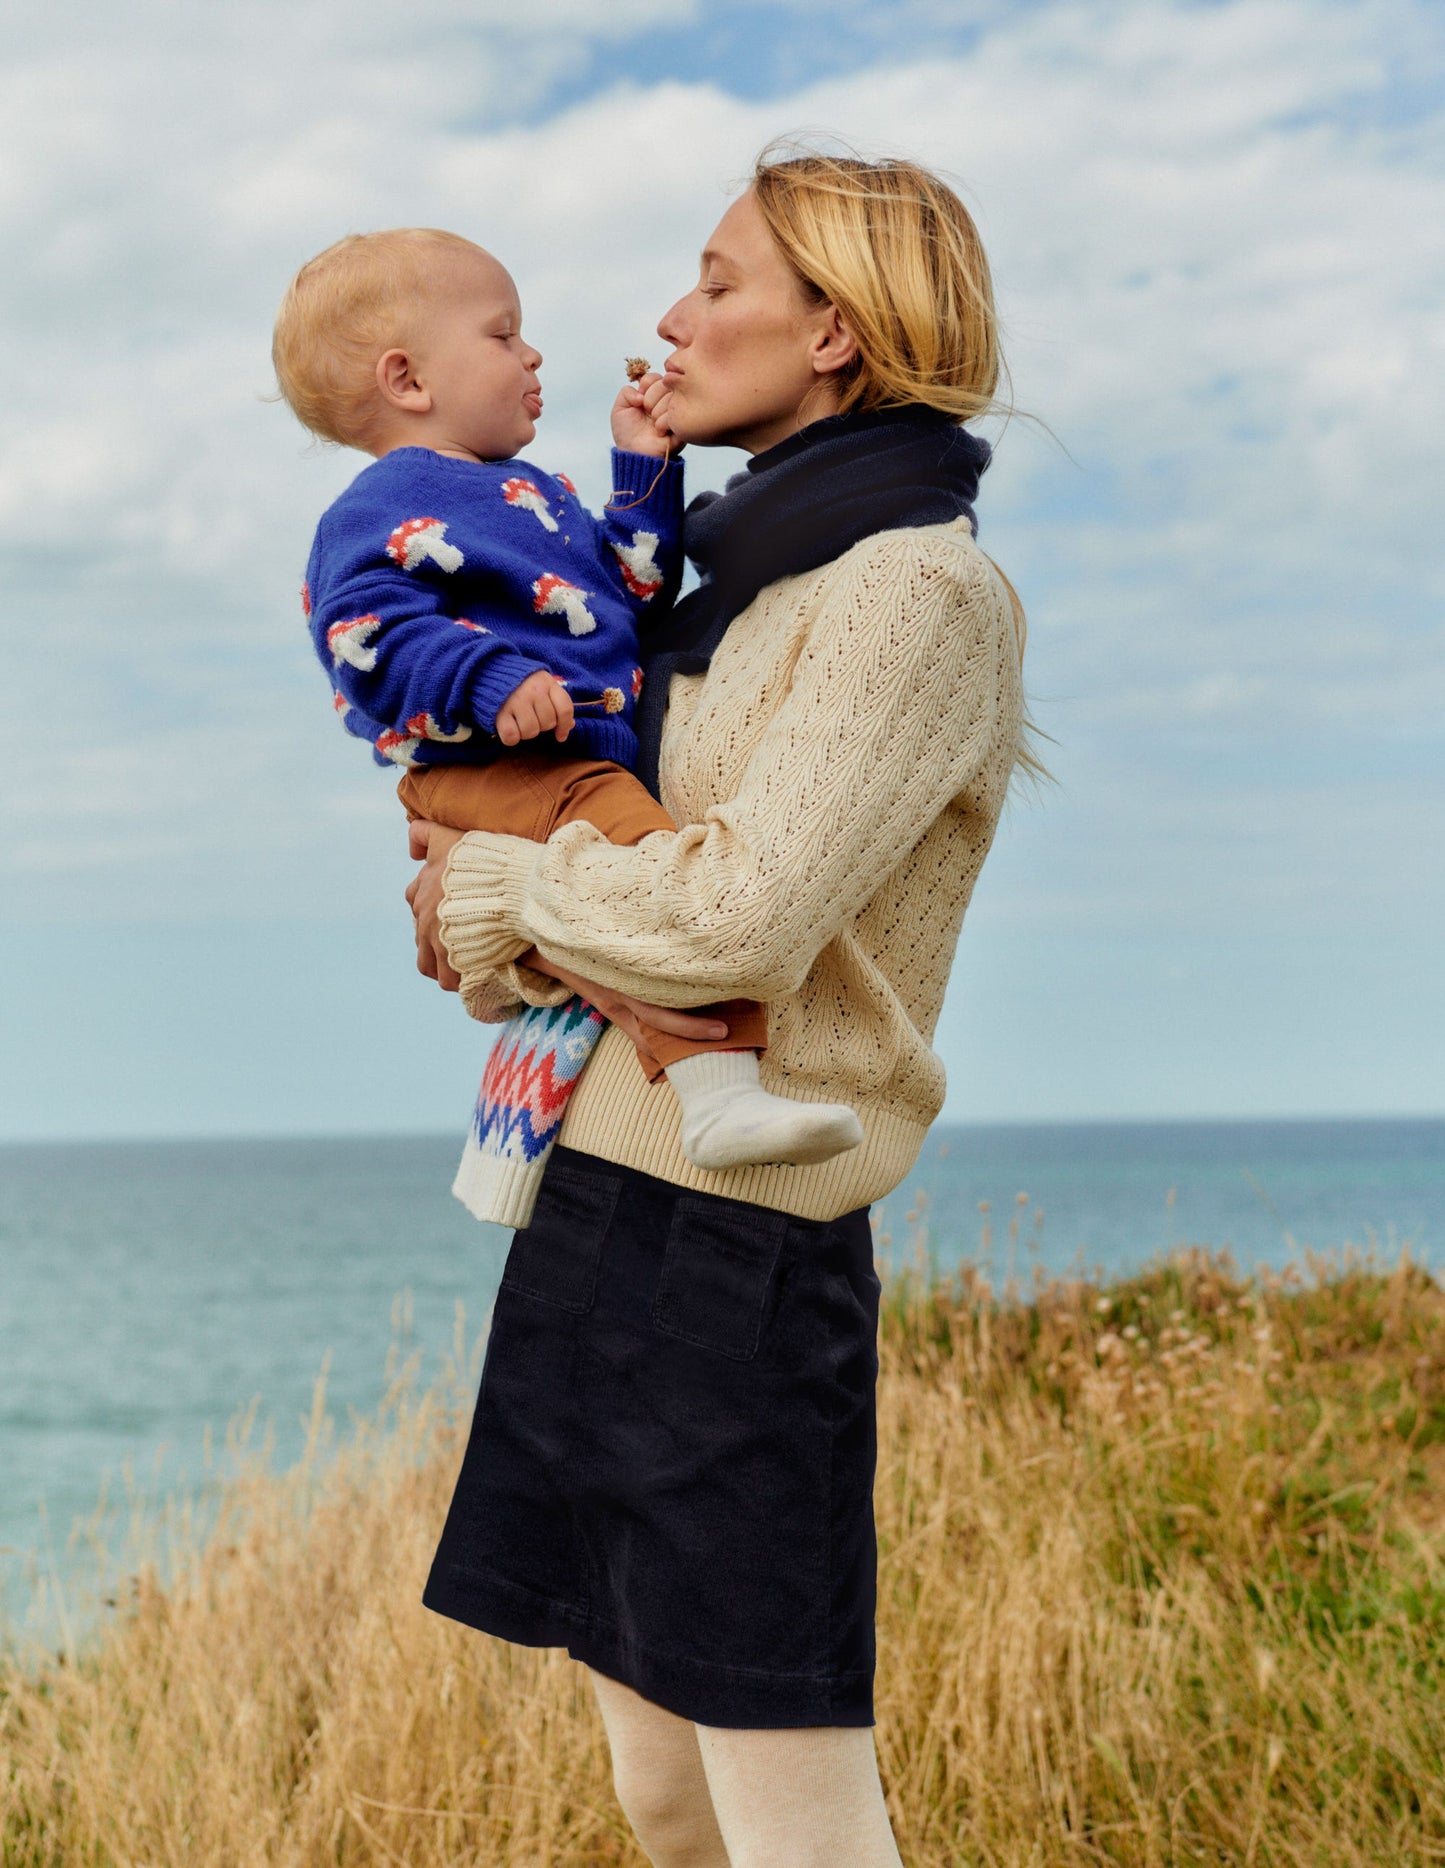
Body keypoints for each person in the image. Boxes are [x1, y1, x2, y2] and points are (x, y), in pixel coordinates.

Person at [406, 147, 1030, 1868]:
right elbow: (597, 893)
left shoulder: (917, 589)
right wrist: (519, 902)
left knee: (795, 1826)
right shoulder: (722, 588)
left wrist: (491, 894)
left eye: (719, 280)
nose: (673, 318)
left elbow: (732, 921)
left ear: (835, 328)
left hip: (742, 1255)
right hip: (596, 1198)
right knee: (660, 1796)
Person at [271, 228, 864, 1223]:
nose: (532, 355)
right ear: (407, 378)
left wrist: (638, 471)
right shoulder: (379, 507)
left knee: (624, 880)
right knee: (649, 874)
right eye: (503, 334)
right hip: (501, 758)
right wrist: (489, 676)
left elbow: (627, 590)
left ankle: (591, 1015)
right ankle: (717, 1095)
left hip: (562, 756)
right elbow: (364, 637)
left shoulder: (531, 496)